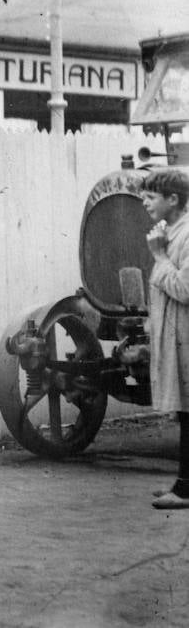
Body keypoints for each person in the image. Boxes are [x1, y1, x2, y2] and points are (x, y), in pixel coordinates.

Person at [141, 167, 189, 509]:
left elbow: (185, 290)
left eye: (151, 196)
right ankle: (182, 483)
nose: (145, 202)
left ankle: (185, 490)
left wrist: (158, 256)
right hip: (177, 335)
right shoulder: (170, 231)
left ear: (173, 200)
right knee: (185, 413)